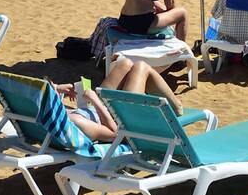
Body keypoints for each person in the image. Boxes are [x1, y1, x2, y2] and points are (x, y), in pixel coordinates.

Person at [52, 57, 184, 140]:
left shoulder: (55, 116)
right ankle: (176, 106)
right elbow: (113, 133)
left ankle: (169, 101)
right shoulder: (76, 123)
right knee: (141, 67)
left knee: (124, 63)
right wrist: (95, 101)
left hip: (103, 107)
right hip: (123, 118)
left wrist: (57, 89)